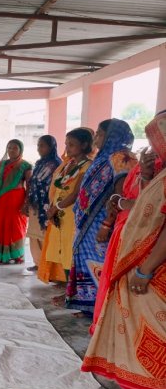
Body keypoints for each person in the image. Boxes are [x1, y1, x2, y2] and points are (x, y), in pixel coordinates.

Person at [81, 110, 166, 389]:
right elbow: (147, 205)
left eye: (159, 141)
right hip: (145, 253)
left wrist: (145, 269)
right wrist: (145, 176)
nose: (155, 148)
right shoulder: (159, 173)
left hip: (155, 263)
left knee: (157, 327)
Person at [66, 119, 137, 315]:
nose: (95, 138)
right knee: (87, 259)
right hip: (87, 224)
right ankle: (89, 304)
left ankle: (103, 310)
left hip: (102, 224)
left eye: (100, 133)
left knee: (101, 263)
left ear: (111, 136)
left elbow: (121, 194)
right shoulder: (103, 158)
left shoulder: (121, 159)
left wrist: (107, 224)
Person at [91, 148, 162, 329]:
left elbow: (147, 206)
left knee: (141, 299)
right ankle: (113, 330)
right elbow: (133, 196)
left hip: (147, 241)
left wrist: (120, 202)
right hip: (126, 232)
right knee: (119, 287)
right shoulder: (145, 161)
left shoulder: (156, 166)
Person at [38, 128, 94, 288]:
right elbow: (57, 187)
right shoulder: (67, 164)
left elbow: (76, 193)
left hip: (72, 214)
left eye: (72, 145)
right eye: (66, 144)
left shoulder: (87, 166)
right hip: (58, 213)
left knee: (70, 252)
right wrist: (52, 209)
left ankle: (72, 292)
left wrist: (55, 208)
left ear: (84, 145)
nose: (67, 148)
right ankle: (69, 290)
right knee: (61, 250)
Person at [0, 139, 33, 264]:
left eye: (15, 148)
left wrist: (26, 203)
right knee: (2, 225)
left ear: (21, 150)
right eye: (9, 148)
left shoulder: (25, 165)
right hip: (2, 200)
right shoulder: (2, 165)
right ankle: (2, 254)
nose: (11, 150)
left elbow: (29, 186)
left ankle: (17, 254)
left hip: (17, 199)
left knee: (16, 226)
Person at [26, 135, 62, 271]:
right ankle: (38, 262)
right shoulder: (40, 163)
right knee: (34, 234)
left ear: (51, 147)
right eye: (38, 146)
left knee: (44, 234)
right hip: (35, 204)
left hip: (46, 205)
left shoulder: (56, 164)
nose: (39, 149)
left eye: (42, 145)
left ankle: (46, 265)